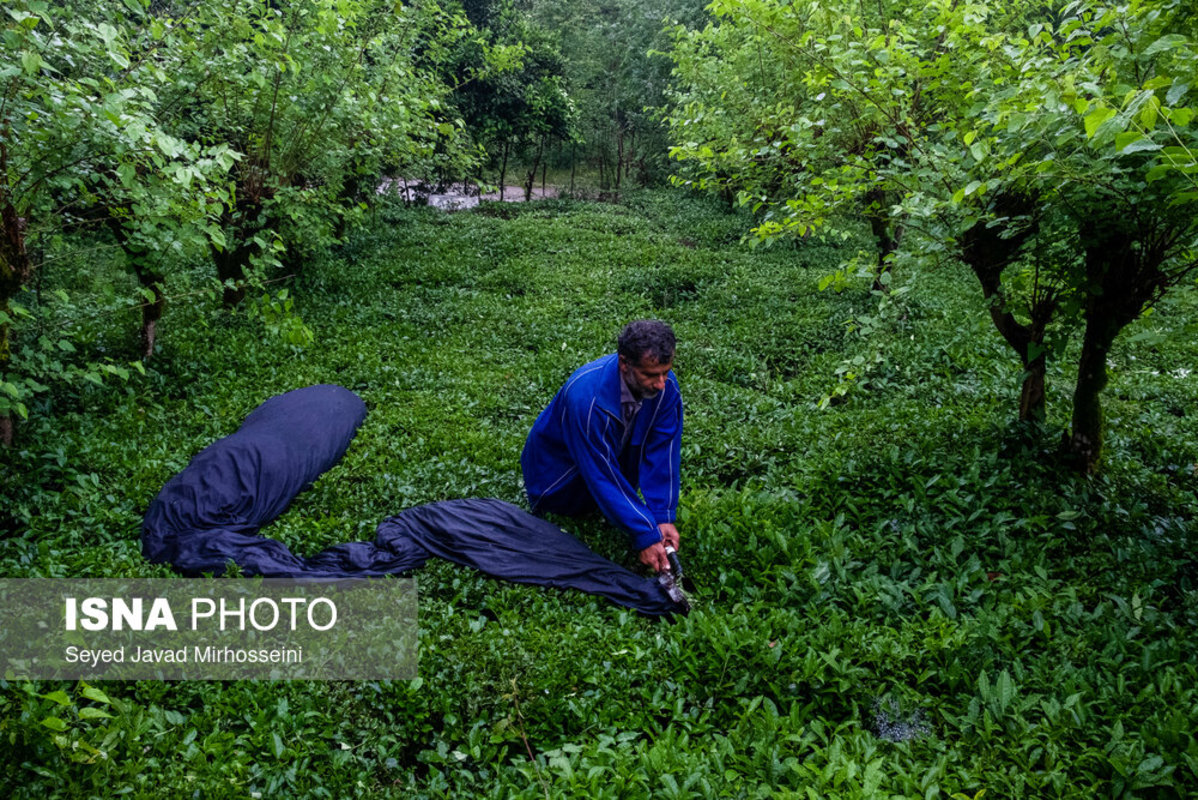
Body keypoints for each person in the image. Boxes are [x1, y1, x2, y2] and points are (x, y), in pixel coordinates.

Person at [521, 319, 682, 573]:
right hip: (557, 482)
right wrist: (645, 533)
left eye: (666, 371)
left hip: (607, 458)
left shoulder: (666, 388)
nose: (661, 383)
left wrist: (662, 517)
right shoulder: (586, 399)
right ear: (624, 363)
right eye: (650, 375)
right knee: (596, 485)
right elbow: (600, 471)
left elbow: (663, 450)